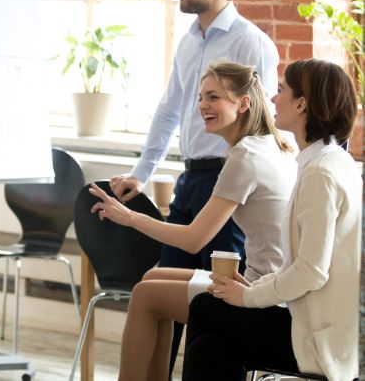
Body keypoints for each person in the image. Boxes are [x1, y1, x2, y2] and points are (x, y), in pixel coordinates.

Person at [109, 0, 280, 369]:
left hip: (229, 182)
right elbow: (170, 109)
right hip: (189, 180)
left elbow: (264, 118)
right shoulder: (188, 42)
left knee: (217, 308)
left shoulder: (251, 42)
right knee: (159, 296)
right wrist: (142, 172)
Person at [88, 61, 295, 380]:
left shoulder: (245, 157)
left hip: (260, 294)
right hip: (266, 283)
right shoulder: (271, 144)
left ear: (243, 104)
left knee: (145, 296)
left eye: (213, 97)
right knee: (152, 277)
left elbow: (193, 239)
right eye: (200, 97)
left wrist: (128, 217)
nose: (202, 106)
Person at [183, 58, 361, 381]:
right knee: (207, 350)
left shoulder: (321, 174)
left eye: (281, 91)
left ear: (302, 104)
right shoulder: (327, 161)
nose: (274, 99)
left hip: (317, 340)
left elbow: (311, 272)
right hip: (309, 324)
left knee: (204, 309)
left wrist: (248, 296)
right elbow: (303, 263)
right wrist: (254, 285)